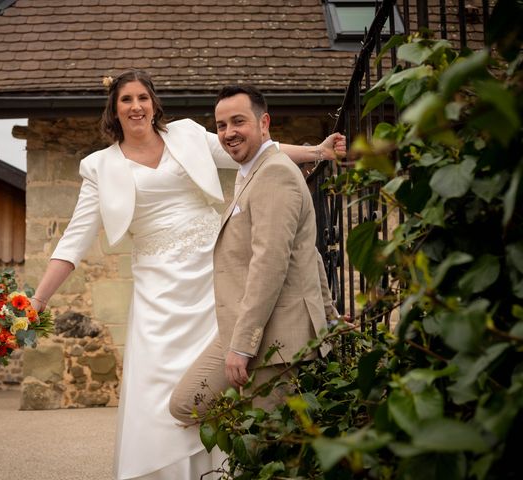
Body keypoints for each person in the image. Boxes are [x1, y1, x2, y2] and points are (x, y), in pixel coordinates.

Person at [30, 70, 345, 480]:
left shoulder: (187, 135)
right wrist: (35, 301)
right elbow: (73, 242)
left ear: (154, 103)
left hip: (214, 276)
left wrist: (317, 152)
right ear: (115, 110)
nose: (137, 106)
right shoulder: (98, 168)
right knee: (159, 391)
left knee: (224, 378)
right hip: (158, 292)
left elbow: (260, 149)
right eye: (126, 100)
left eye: (143, 97)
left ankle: (228, 468)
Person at [170, 84, 336, 424]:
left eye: (238, 121)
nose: (229, 132)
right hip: (245, 330)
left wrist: (242, 347)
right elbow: (309, 254)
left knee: (272, 448)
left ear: (264, 124)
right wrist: (331, 316)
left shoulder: (275, 173)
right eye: (221, 125)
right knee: (186, 403)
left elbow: (270, 264)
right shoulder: (251, 174)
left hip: (278, 344)